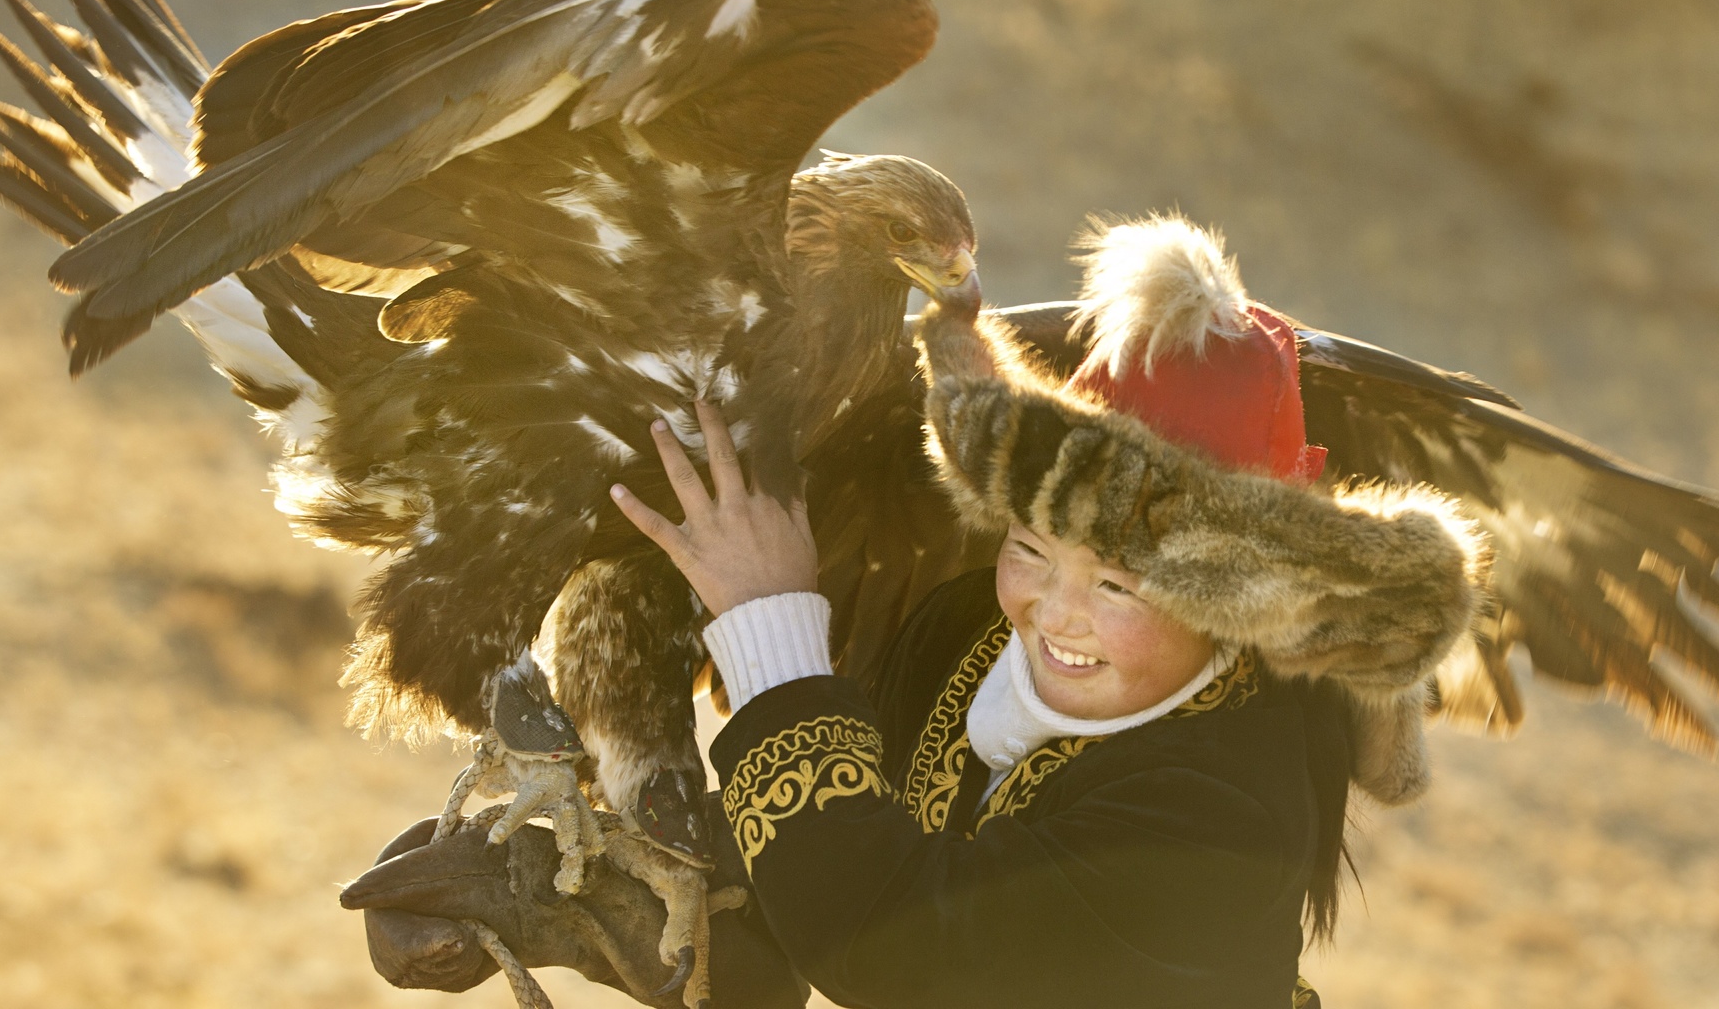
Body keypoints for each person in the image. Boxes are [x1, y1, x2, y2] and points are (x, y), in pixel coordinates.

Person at [343, 219, 1489, 1008]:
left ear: (1230, 603)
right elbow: (788, 923)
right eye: (1030, 547)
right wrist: (564, 899)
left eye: (1120, 585)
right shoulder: (965, 643)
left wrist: (773, 627)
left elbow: (888, 946)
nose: (1054, 614)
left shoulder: (1224, 805)